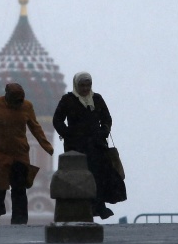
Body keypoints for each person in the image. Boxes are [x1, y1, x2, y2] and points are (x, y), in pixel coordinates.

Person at [0, 82, 54, 225]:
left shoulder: (27, 106)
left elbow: (35, 127)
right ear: (7, 96)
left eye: (20, 100)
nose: (18, 104)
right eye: (15, 100)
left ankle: (19, 218)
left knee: (19, 185)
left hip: (19, 152)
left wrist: (46, 146)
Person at [52, 71, 124, 220]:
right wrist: (68, 134)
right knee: (80, 177)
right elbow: (57, 120)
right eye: (82, 85)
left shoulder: (96, 99)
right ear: (76, 85)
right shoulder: (68, 100)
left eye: (88, 85)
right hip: (77, 147)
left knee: (100, 175)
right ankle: (85, 207)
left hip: (97, 145)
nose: (85, 88)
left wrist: (103, 131)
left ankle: (100, 206)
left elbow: (107, 118)